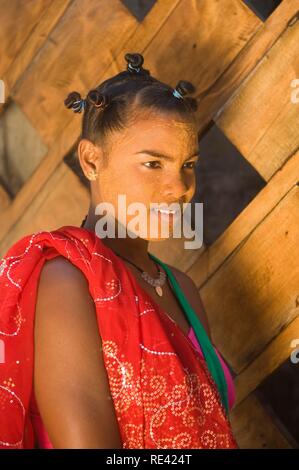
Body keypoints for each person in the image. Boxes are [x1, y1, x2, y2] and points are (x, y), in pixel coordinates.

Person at [0, 53, 238, 449]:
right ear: (92, 160)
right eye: (153, 164)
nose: (179, 187)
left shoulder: (182, 289)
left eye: (188, 164)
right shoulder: (67, 281)